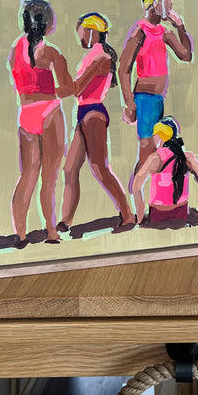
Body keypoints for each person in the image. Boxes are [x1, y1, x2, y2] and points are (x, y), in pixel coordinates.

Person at [59, 13, 135, 236]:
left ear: (92, 31)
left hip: (93, 114)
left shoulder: (102, 57)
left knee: (100, 168)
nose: (79, 37)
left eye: (81, 32)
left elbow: (77, 88)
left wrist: (49, 90)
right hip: (84, 113)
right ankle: (65, 220)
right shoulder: (93, 55)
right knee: (70, 168)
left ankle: (127, 215)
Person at [8, 0, 73, 247]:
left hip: (26, 114)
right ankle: (50, 230)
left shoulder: (16, 50)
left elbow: (19, 85)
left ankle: (20, 233)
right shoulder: (51, 52)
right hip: (50, 113)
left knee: (27, 174)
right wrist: (49, 92)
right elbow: (67, 88)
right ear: (48, 22)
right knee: (49, 177)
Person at [118, 0, 193, 179]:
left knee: (153, 155)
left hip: (158, 100)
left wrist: (180, 27)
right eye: (167, 1)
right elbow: (124, 68)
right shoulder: (141, 31)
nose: (171, 6)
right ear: (154, 4)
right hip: (144, 99)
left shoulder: (163, 32)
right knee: (147, 155)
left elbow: (186, 55)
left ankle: (141, 194)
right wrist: (129, 103)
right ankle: (135, 195)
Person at [131, 116, 198, 226]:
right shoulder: (187, 157)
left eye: (155, 135)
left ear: (159, 137)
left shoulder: (155, 158)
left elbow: (136, 187)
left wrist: (140, 218)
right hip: (181, 213)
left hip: (157, 214)